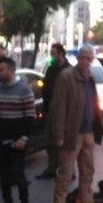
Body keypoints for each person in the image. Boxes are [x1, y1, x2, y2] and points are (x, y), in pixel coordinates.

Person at [48, 44, 103, 203]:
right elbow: (58, 108)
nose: (85, 61)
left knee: (87, 171)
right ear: (78, 58)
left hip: (88, 132)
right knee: (65, 173)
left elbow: (93, 104)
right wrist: (59, 135)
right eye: (83, 57)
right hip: (72, 133)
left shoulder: (90, 77)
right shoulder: (66, 77)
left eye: (89, 58)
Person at [0, 56, 36, 203]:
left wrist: (23, 138)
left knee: (19, 175)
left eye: (2, 70)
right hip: (1, 140)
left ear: (11, 70)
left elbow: (30, 117)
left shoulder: (24, 91)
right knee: (4, 176)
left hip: (18, 142)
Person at [36, 43, 71, 180]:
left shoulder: (69, 71)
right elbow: (45, 87)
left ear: (60, 54)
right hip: (50, 109)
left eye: (53, 54)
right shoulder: (51, 69)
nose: (51, 57)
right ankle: (52, 168)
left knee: (63, 143)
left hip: (63, 112)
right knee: (50, 141)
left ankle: (67, 170)